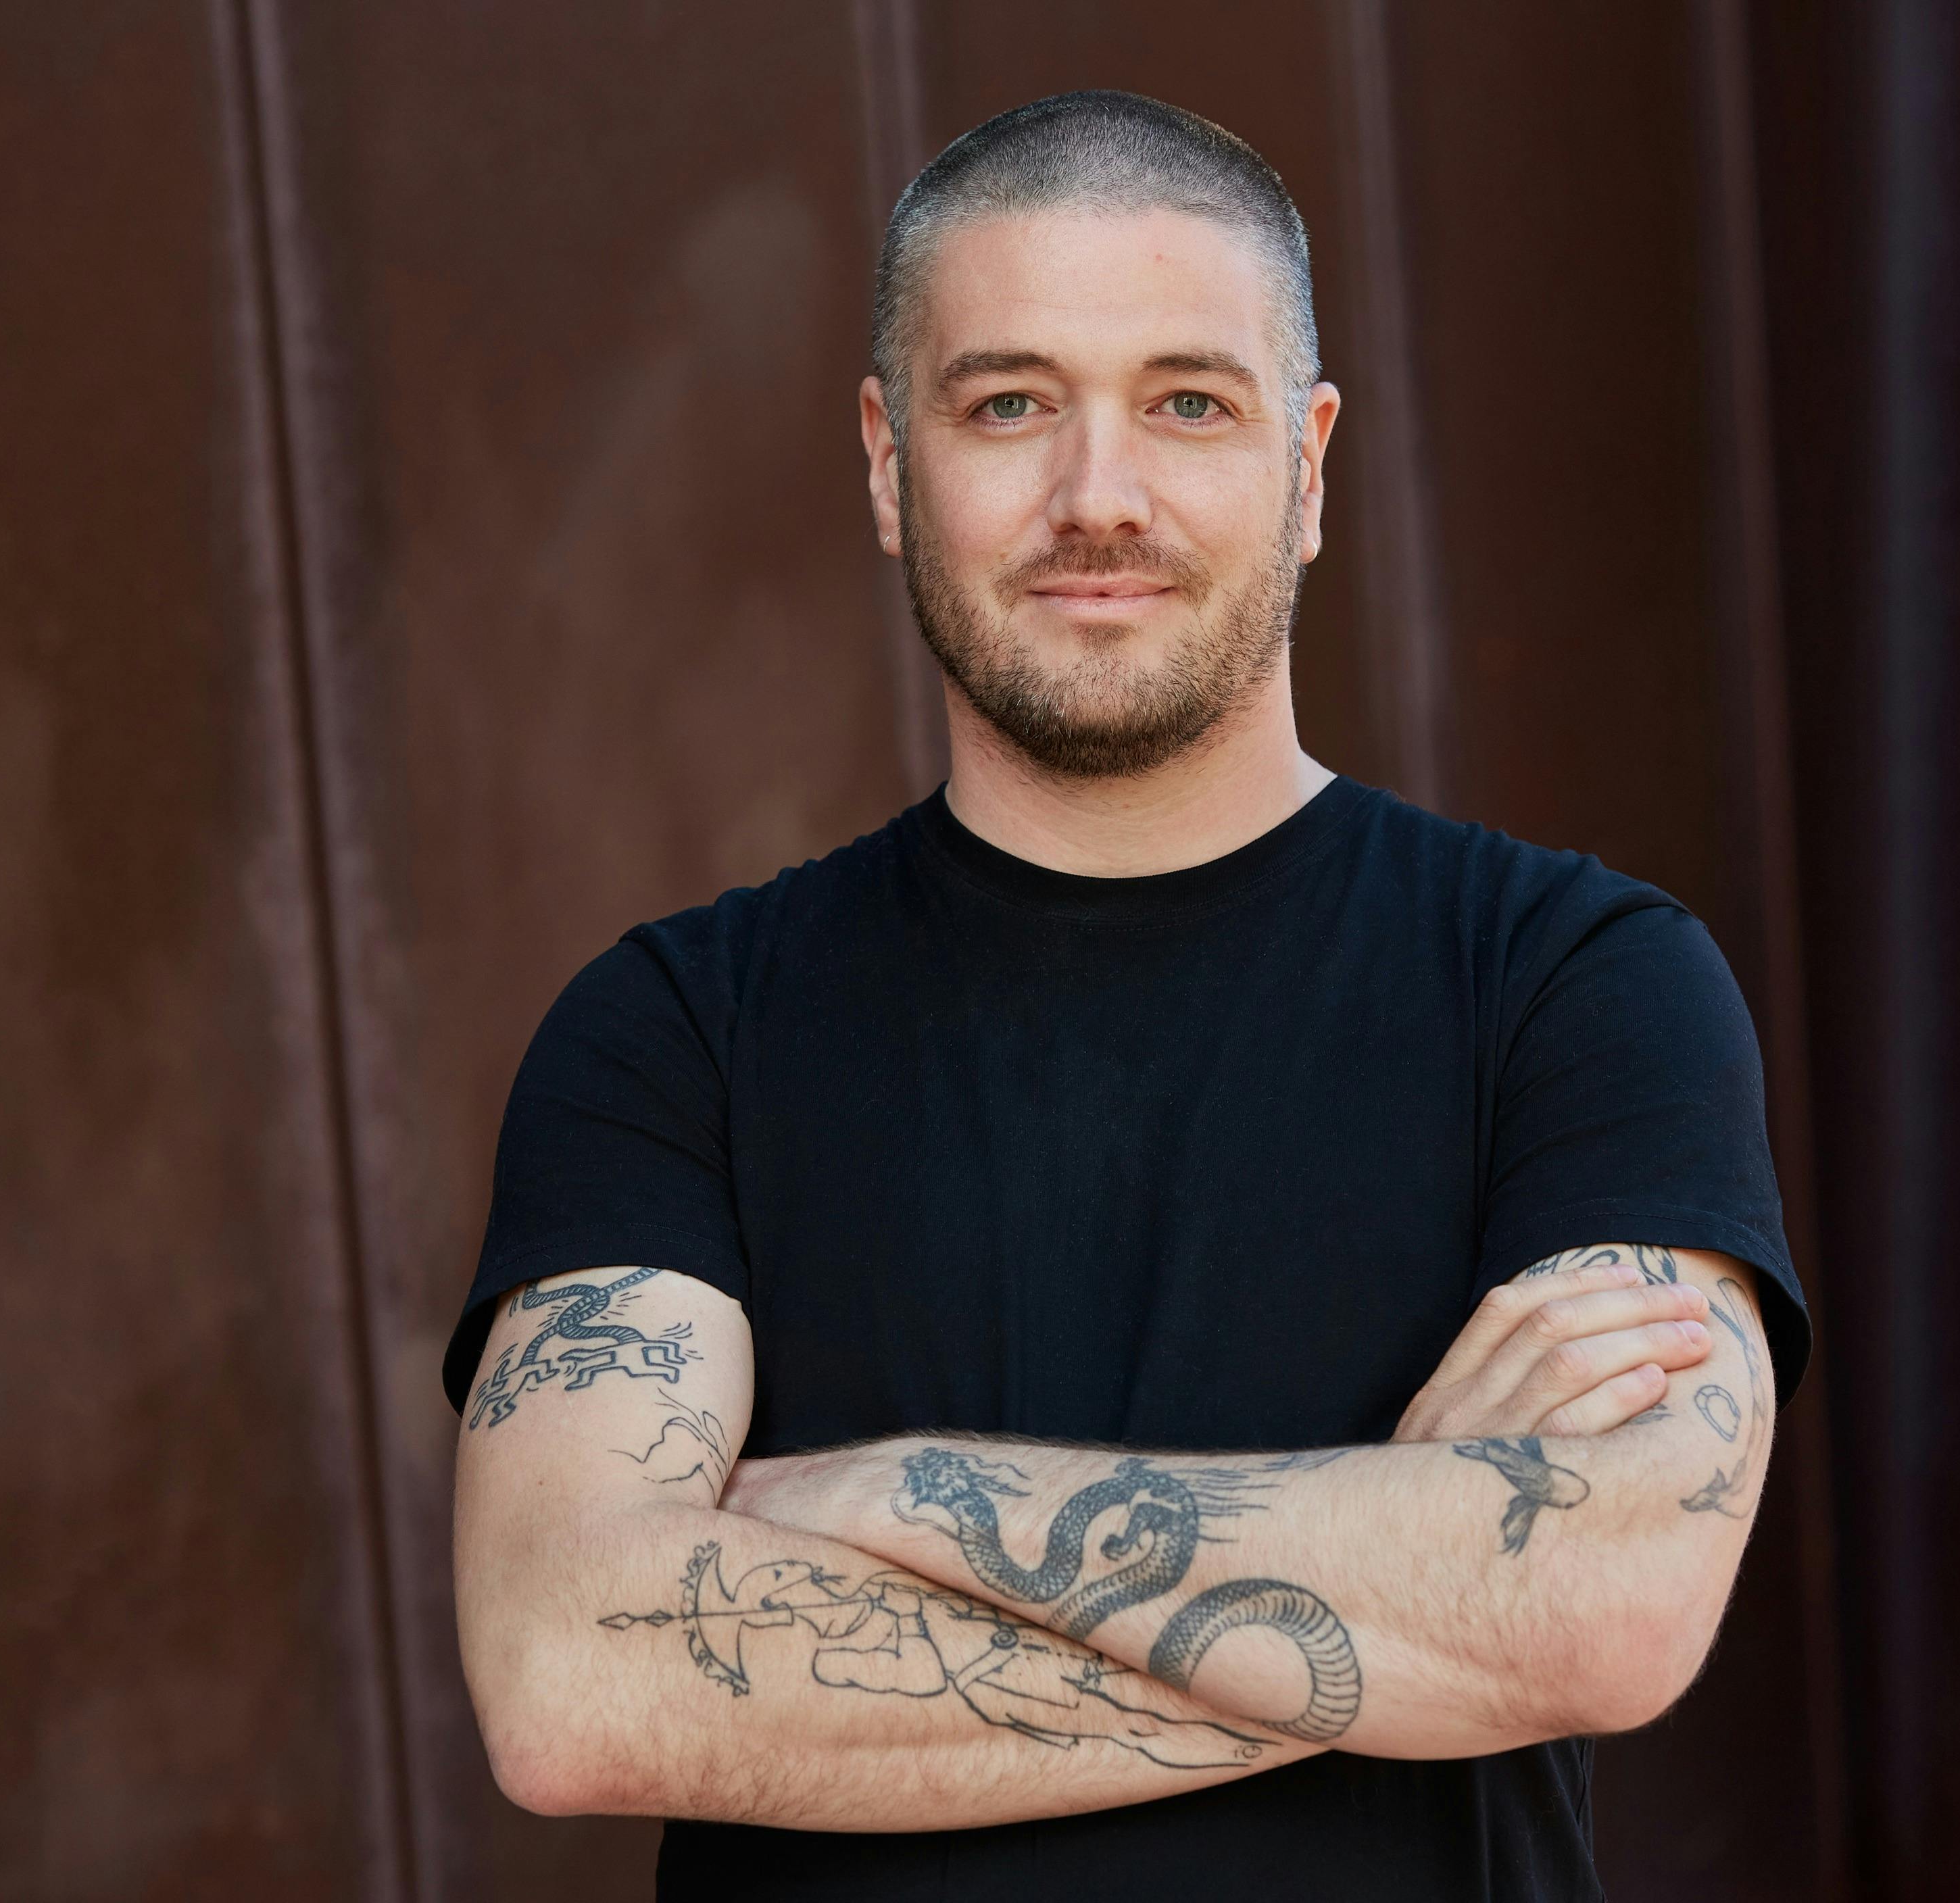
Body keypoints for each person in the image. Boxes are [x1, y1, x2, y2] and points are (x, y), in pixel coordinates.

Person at [447, 90, 1811, 1902]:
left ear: (1311, 468)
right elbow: (575, 1680)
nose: (1100, 495)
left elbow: (1605, 1607)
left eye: (1190, 402)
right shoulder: (671, 1036)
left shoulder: (1574, 989)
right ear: (884, 459)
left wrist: (878, 1500)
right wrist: (1397, 1598)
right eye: (1009, 404)